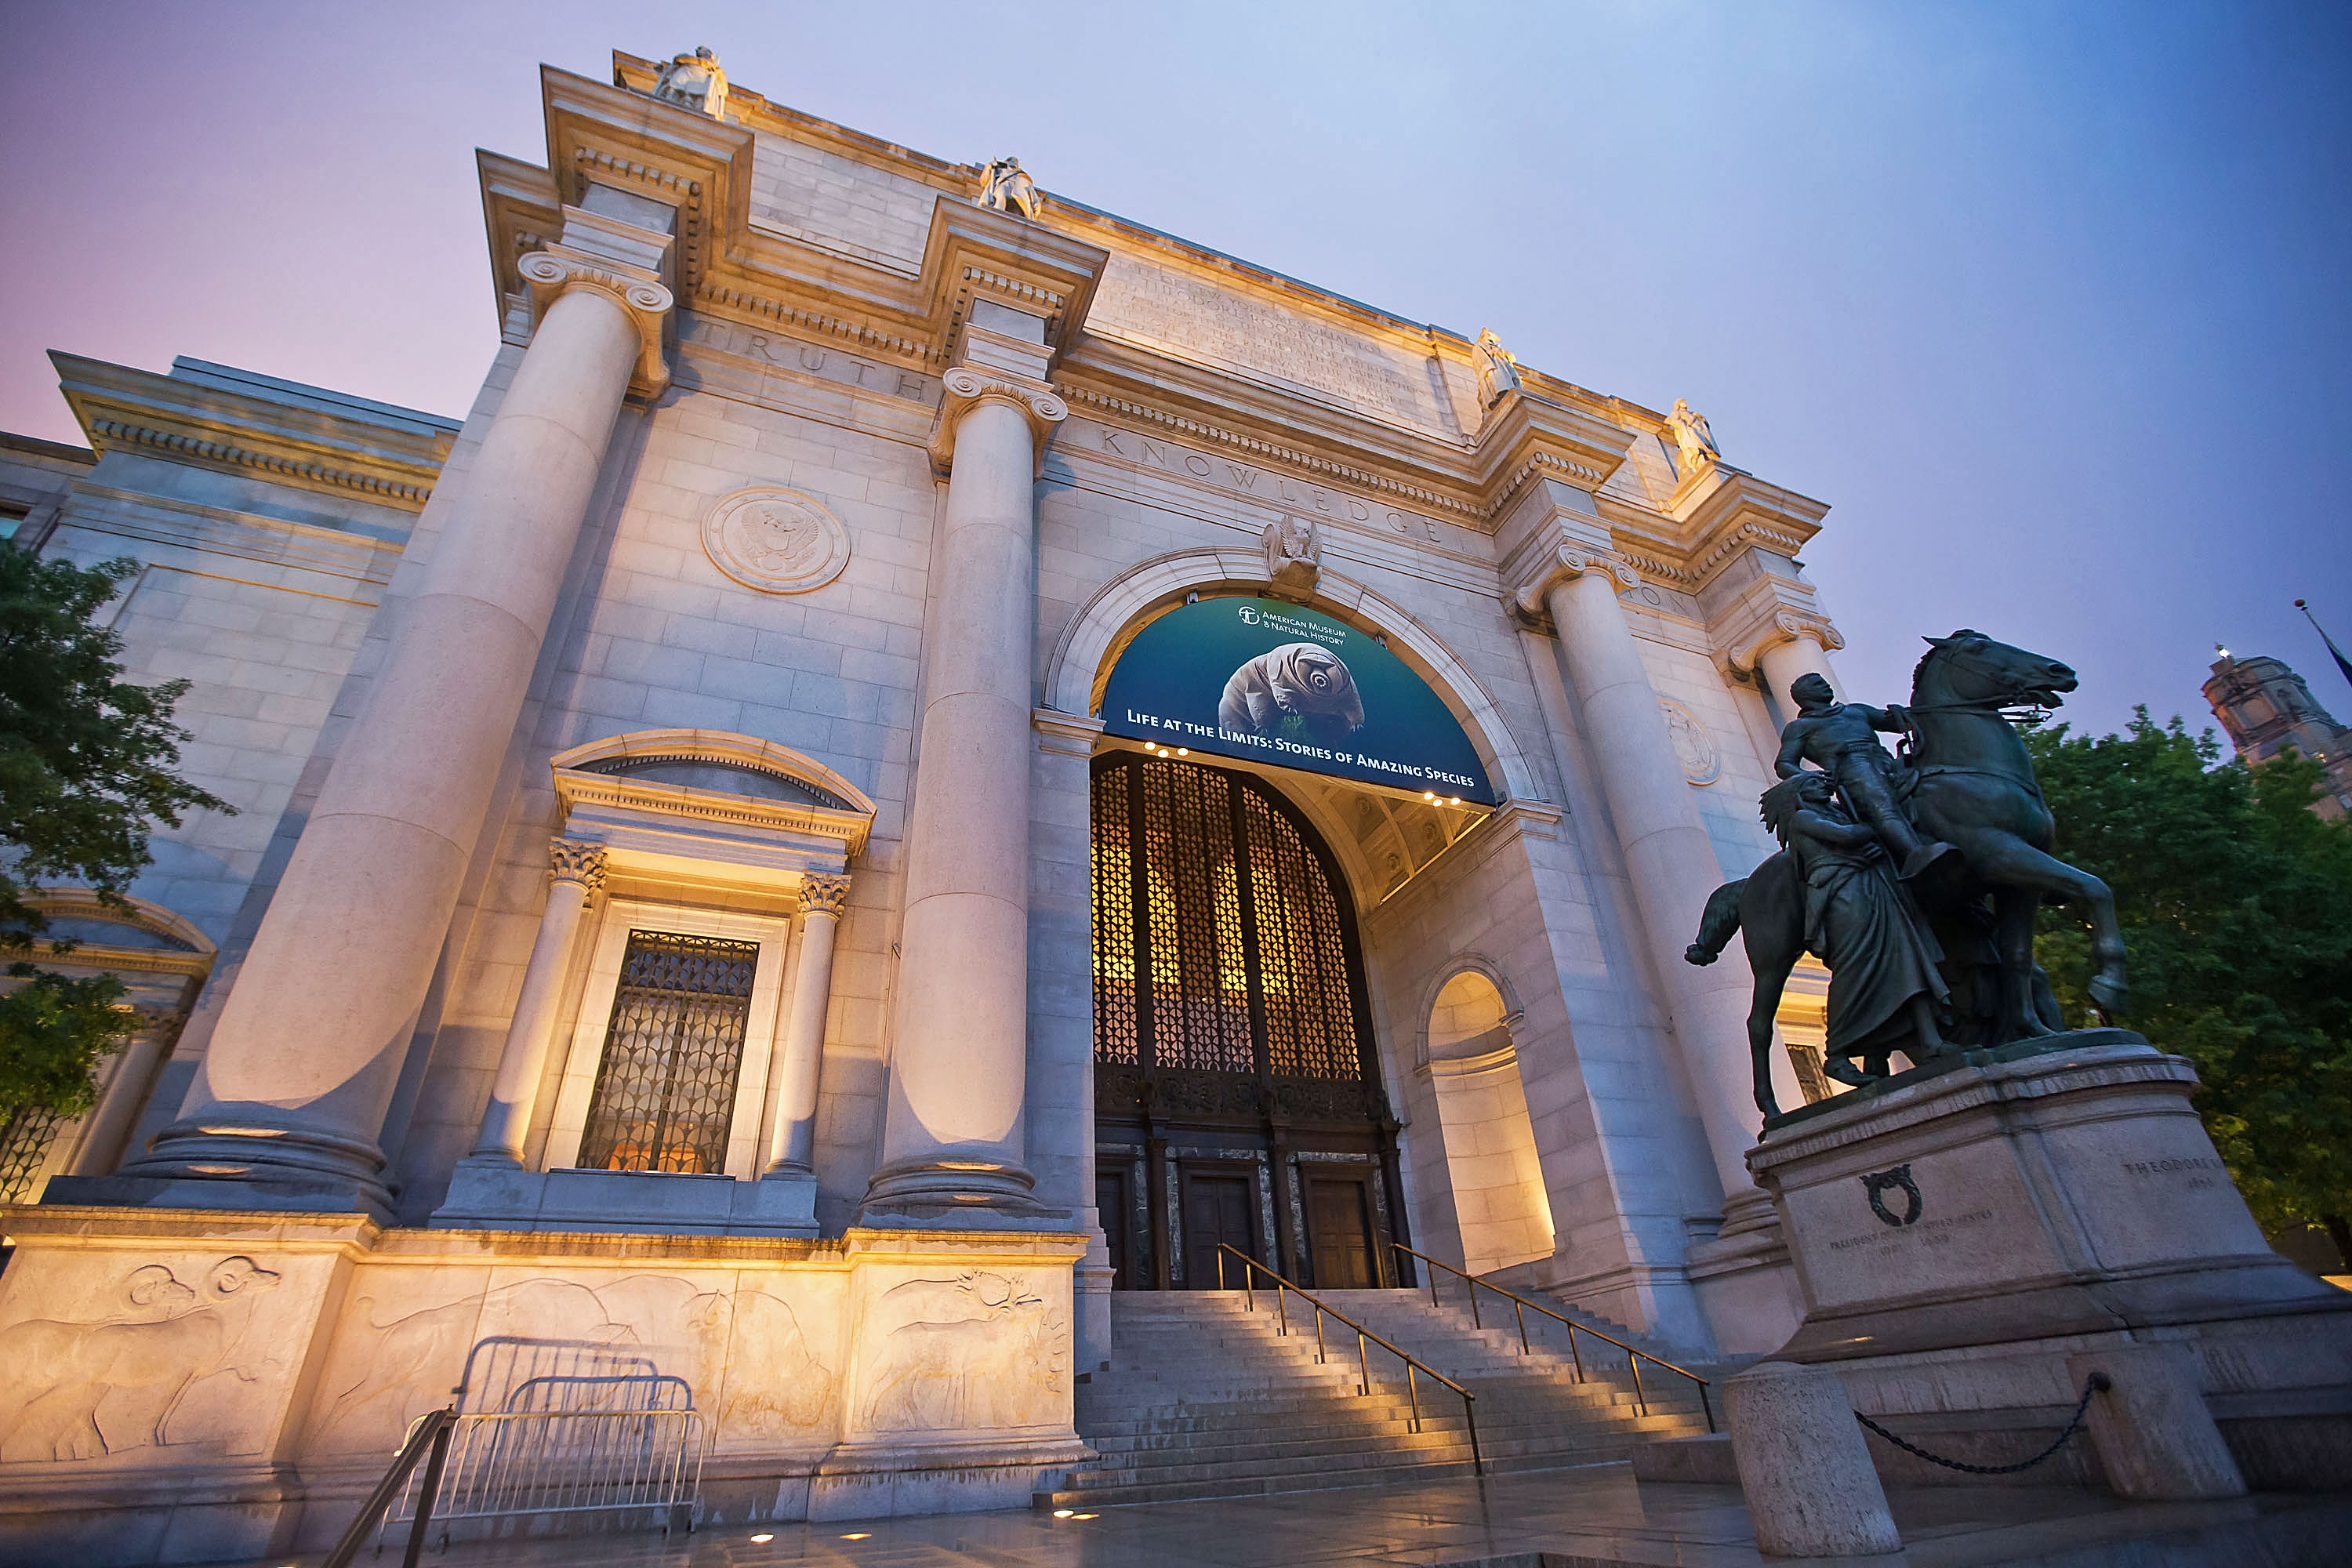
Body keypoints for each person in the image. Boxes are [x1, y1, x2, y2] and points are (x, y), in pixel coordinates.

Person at [1762, 771, 1949, 1076]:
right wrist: (1877, 821)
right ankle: (1836, 1054)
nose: (1823, 784)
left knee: (1907, 956)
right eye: (1812, 783)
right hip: (1843, 894)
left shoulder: (1837, 812)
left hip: (1871, 885)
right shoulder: (1803, 819)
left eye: (1823, 781)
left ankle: (1930, 1039)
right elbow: (1846, 837)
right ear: (1798, 795)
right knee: (1855, 968)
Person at [1774, 672, 1953, 879]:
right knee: (1882, 805)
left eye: (1824, 682)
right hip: (1852, 768)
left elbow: (1894, 723)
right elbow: (1784, 764)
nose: (1826, 686)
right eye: (1817, 684)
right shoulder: (1800, 727)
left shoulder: (1856, 711)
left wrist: (1902, 714)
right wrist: (1815, 779)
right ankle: (1915, 853)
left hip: (1884, 757)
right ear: (1804, 695)